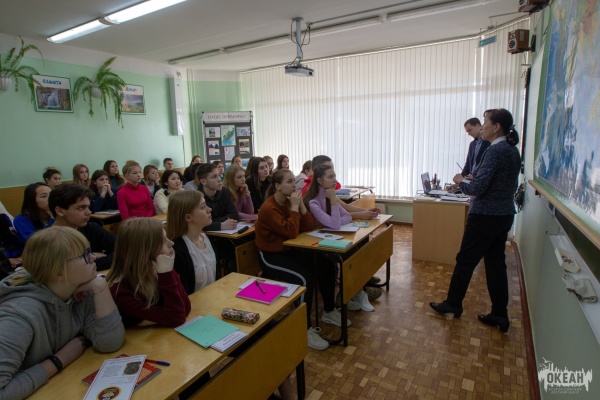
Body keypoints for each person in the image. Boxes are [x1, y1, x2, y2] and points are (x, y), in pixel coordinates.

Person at [0, 227, 124, 399]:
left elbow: (109, 343)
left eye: (89, 251)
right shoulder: (19, 315)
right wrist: (58, 361)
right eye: (84, 255)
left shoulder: (80, 289)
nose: (93, 257)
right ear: (58, 272)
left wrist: (100, 287)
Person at [430, 108, 521, 333]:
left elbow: (478, 189)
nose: (483, 125)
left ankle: (453, 303)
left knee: (465, 260)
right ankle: (500, 314)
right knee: (495, 265)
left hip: (485, 216)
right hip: (503, 215)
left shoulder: (495, 150)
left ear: (496, 127)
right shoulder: (512, 150)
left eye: (486, 121)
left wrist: (461, 181)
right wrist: (474, 179)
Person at [255, 169, 348, 351]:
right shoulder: (269, 208)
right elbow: (290, 232)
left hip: (289, 250)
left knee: (325, 262)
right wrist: (295, 209)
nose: (294, 185)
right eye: (289, 182)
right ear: (277, 186)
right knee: (304, 279)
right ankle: (304, 328)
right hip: (271, 256)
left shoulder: (289, 202)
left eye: (293, 181)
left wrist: (301, 208)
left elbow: (308, 226)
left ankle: (329, 310)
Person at [304, 164, 375, 312]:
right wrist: (333, 203)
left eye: (334, 176)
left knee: (358, 246)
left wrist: (332, 217)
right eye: (330, 177)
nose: (334, 180)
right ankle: (350, 295)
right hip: (314, 246)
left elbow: (347, 217)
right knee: (347, 255)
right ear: (319, 181)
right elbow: (336, 224)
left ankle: (354, 293)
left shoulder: (329, 196)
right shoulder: (313, 202)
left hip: (328, 238)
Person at [107, 218, 191, 327]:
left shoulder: (154, 271)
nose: (172, 243)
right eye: (163, 241)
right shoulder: (121, 292)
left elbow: (186, 308)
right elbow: (177, 318)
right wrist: (167, 274)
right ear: (145, 251)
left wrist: (169, 270)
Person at [49, 184, 116, 271]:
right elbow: (66, 271)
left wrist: (90, 261)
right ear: (60, 211)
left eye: (88, 207)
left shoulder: (91, 228)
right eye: (81, 208)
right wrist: (91, 259)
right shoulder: (47, 240)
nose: (89, 212)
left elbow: (124, 252)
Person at [166, 190, 216, 294]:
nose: (209, 209)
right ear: (188, 217)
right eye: (203, 207)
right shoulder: (177, 249)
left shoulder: (206, 238)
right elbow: (183, 292)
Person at [196, 163, 239, 231]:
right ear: (203, 181)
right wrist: (220, 225)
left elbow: (234, 215)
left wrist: (211, 223)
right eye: (214, 177)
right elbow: (197, 223)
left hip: (225, 233)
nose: (219, 179)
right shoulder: (196, 198)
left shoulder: (225, 192)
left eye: (219, 175)